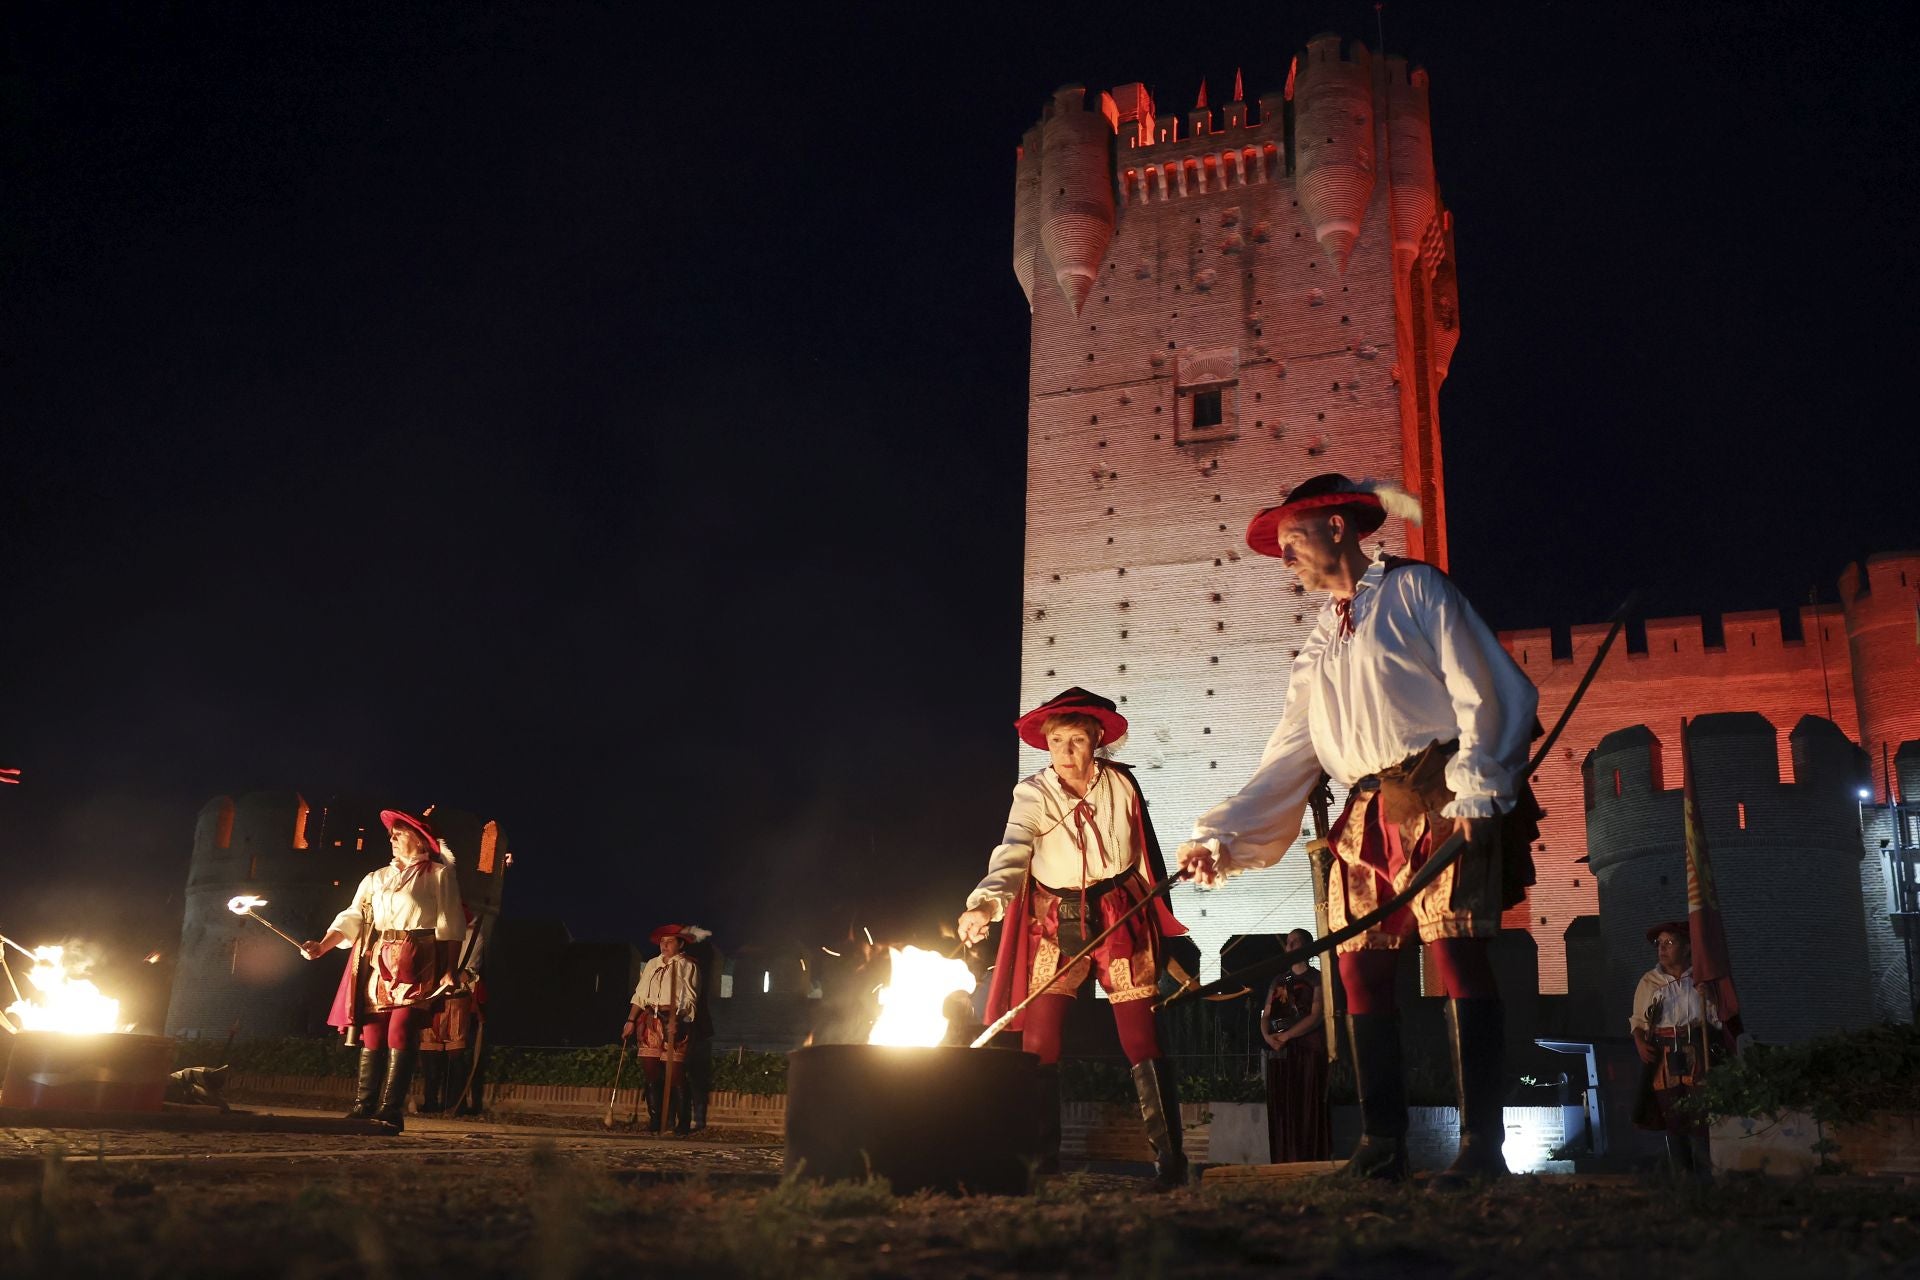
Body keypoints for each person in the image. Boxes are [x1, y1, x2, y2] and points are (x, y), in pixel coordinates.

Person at [1176, 474, 1541, 1187]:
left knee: (1458, 955)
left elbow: (1487, 685)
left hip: (1439, 789)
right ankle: (1383, 1142)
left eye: (1293, 541)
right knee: (1359, 968)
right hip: (1367, 811)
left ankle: (1481, 1147)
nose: (1286, 560)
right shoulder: (1319, 645)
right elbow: (1290, 753)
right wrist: (1221, 836)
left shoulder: (1417, 591)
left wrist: (1478, 785)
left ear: (1338, 526)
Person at [957, 687, 1191, 1188]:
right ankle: (1041, 1163)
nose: (1066, 751)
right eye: (1058, 740)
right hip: (1053, 917)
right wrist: (986, 902)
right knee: (1040, 1038)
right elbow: (1014, 850)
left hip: (1121, 911)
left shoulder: (1123, 784)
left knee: (1141, 1034)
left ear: (1096, 742)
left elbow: (1145, 852)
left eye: (1077, 740)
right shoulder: (1033, 794)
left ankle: (1171, 1163)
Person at [303, 808, 468, 1132]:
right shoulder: (376, 878)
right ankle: (363, 1106)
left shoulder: (438, 875)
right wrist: (323, 944)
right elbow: (353, 915)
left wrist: (450, 970)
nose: (391, 838)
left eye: (399, 833)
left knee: (401, 1029)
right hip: (380, 957)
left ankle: (390, 1109)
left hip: (419, 957)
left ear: (419, 839)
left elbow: (450, 923)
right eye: (391, 834)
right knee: (373, 1031)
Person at [1631, 921, 1724, 1174]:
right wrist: (1640, 1042)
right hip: (1663, 1054)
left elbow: (1719, 1019)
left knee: (1701, 1117)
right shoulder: (1649, 982)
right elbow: (1638, 1021)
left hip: (1696, 1049)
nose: (1662, 948)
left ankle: (1706, 1178)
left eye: (1669, 942)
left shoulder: (1702, 978)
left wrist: (1711, 995)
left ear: (1686, 948)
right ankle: (1682, 1180)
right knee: (1673, 1118)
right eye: (1659, 944)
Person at [1261, 927, 1331, 1162]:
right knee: (1283, 1107)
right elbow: (1267, 1015)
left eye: (1296, 942)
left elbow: (1317, 1014)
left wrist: (1288, 1035)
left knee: (1307, 1104)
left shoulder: (1316, 978)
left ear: (1308, 947)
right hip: (1281, 1051)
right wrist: (1269, 1037)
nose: (1290, 946)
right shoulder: (1279, 980)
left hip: (1308, 1050)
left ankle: (1309, 1156)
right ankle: (1283, 1157)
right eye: (1288, 942)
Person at [622, 924, 699, 1135]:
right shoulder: (652, 965)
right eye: (662, 941)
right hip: (650, 1021)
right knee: (650, 1071)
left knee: (675, 1073)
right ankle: (657, 1120)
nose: (664, 945)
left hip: (674, 1020)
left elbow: (690, 999)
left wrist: (679, 1020)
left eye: (670, 941)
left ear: (680, 943)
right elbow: (640, 995)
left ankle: (682, 1122)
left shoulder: (687, 965)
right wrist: (630, 1020)